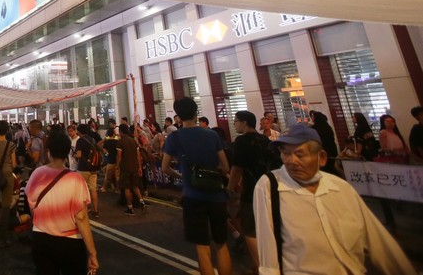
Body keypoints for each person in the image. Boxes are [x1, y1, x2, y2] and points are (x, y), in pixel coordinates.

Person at [253, 126, 415, 275]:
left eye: (299, 154)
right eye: (285, 153)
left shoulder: (341, 189)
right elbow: (268, 255)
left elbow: (379, 243)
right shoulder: (270, 187)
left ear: (322, 158)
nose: (290, 160)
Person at [162, 97, 232, 275]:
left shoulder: (174, 137)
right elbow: (225, 166)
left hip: (193, 196)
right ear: (196, 113)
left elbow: (164, 167)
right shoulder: (211, 135)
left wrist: (180, 175)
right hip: (217, 195)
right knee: (222, 244)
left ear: (178, 116)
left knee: (202, 246)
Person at [26, 131, 98, 275]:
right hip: (70, 242)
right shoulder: (75, 179)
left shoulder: (37, 174)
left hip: (41, 238)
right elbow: (82, 217)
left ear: (48, 152)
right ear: (67, 152)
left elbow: (32, 206)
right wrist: (92, 253)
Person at [226, 110, 271, 274]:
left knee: (250, 230)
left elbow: (237, 168)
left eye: (236, 121)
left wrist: (229, 189)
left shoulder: (241, 141)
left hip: (251, 189)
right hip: (268, 187)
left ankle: (260, 268)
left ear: (244, 122)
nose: (235, 124)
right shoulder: (264, 140)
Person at [116, 123, 145, 215]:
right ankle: (141, 201)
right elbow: (138, 155)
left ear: (120, 131)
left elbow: (119, 157)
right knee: (135, 186)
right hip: (134, 167)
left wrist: (117, 167)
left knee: (127, 188)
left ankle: (130, 208)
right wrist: (139, 167)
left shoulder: (120, 142)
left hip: (125, 168)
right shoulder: (133, 140)